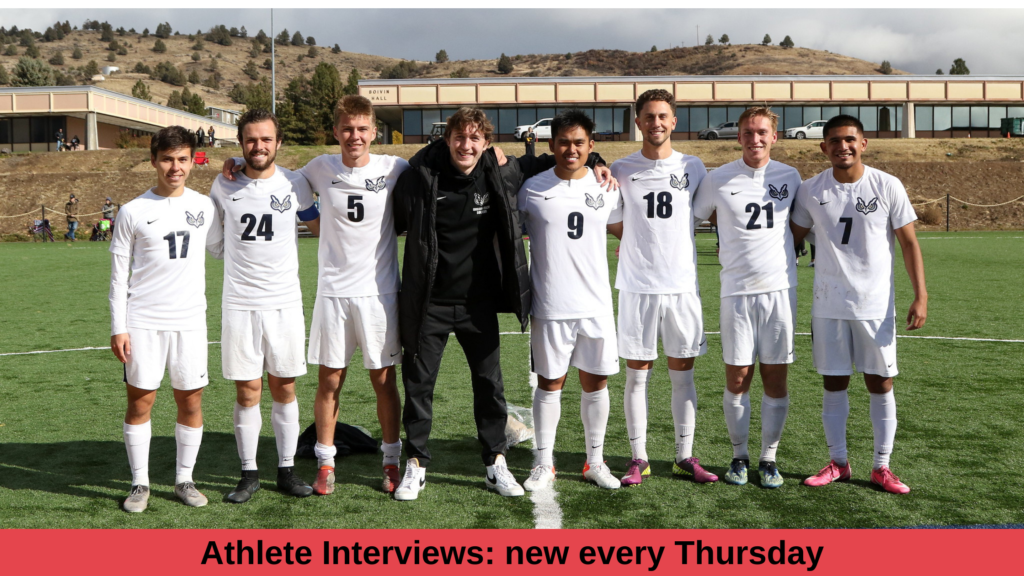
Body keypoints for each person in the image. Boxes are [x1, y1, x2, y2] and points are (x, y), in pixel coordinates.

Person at [391, 106, 612, 501]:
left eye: (475, 137)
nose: (466, 144)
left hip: (479, 301)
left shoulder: (501, 172)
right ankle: (417, 464)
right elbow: (397, 218)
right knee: (419, 385)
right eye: (459, 136)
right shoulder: (420, 176)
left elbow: (555, 156)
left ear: (487, 143)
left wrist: (595, 158)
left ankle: (495, 462)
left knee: (489, 386)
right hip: (430, 301)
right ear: (447, 139)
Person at [221, 95, 407, 496]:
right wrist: (235, 165)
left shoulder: (396, 168)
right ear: (335, 132)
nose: (354, 137)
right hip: (333, 293)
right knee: (329, 381)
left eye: (362, 129)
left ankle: (391, 459)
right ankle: (325, 461)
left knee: (384, 380)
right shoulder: (317, 169)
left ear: (375, 131)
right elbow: (272, 176)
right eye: (346, 129)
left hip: (381, 293)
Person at [791, 114, 927, 495]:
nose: (842, 146)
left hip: (875, 305)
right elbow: (792, 237)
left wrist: (922, 295)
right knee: (833, 383)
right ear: (824, 147)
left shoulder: (887, 185)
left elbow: (909, 243)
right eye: (834, 141)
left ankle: (882, 467)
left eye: (849, 139)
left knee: (880, 383)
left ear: (863, 143)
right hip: (828, 305)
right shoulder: (810, 189)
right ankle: (838, 463)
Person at [606, 89, 718, 487]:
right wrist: (636, 243)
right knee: (637, 375)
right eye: (649, 116)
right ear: (638, 122)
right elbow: (613, 219)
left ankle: (685, 456)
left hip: (682, 285)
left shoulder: (694, 166)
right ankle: (638, 458)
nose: (656, 123)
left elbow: (709, 214)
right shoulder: (620, 168)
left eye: (663, 116)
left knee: (682, 374)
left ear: (674, 121)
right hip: (637, 286)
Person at [208, 109, 321, 503]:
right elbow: (213, 243)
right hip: (239, 303)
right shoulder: (222, 185)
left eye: (266, 139)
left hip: (285, 303)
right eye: (251, 140)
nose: (259, 147)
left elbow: (319, 227)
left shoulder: (296, 183)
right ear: (241, 144)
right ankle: (249, 473)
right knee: (247, 391)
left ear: (279, 143)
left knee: (285, 386)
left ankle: (287, 469)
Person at [109, 126, 218, 512]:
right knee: (142, 401)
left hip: (190, 321)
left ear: (193, 161)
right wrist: (117, 326)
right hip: (143, 321)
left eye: (183, 159)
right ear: (154, 160)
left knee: (191, 400)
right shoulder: (132, 211)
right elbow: (119, 275)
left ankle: (184, 479)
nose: (176, 167)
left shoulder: (205, 206)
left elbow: (222, 249)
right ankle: (140, 483)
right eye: (168, 159)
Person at [692, 106, 802, 489]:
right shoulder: (718, 179)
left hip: (779, 292)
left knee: (775, 377)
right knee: (737, 377)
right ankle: (739, 455)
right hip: (735, 292)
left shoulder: (790, 176)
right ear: (737, 136)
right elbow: (690, 220)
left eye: (761, 132)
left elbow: (802, 226)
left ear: (774, 136)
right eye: (747, 132)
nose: (754, 139)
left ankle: (768, 459)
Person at [518, 109, 622, 492]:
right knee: (550, 384)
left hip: (595, 305)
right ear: (551, 145)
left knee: (596, 385)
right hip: (551, 305)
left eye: (579, 143)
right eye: (564, 142)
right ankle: (544, 464)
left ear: (591, 146)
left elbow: (626, 232)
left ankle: (595, 461)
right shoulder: (530, 188)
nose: (571, 149)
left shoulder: (607, 188)